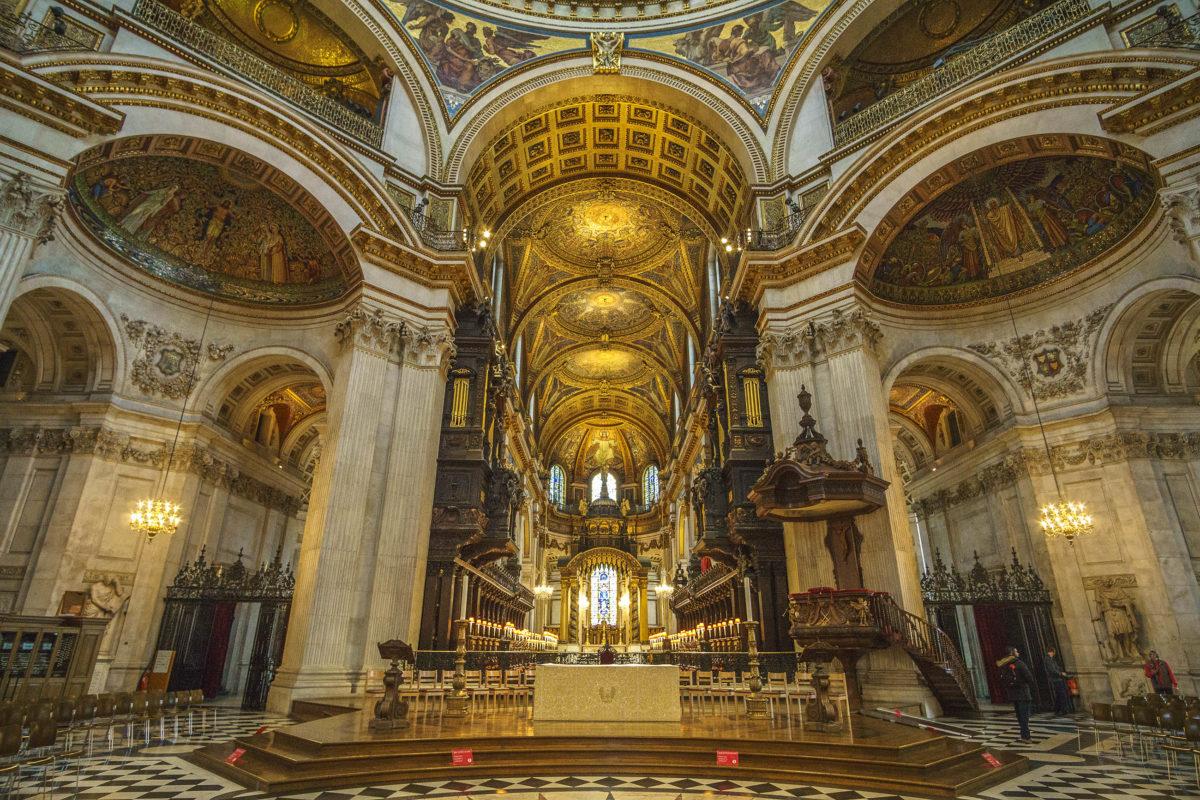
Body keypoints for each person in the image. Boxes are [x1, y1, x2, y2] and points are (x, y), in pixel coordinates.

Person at [997, 646, 1035, 743]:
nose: (1018, 653)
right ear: (1012, 653)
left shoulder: (1003, 665)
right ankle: (1026, 736)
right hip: (1023, 693)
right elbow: (1029, 678)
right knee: (1024, 716)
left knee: (1020, 716)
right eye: (1016, 651)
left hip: (1013, 694)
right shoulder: (1019, 663)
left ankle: (1024, 735)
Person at [1043, 646, 1071, 716]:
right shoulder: (1048, 660)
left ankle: (1057, 709)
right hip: (1056, 679)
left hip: (1058, 678)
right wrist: (1061, 673)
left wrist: (1062, 672)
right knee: (1062, 694)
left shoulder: (1051, 660)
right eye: (1053, 652)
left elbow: (1056, 667)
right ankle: (1064, 710)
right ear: (1051, 652)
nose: (1054, 654)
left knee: (1059, 694)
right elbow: (1052, 670)